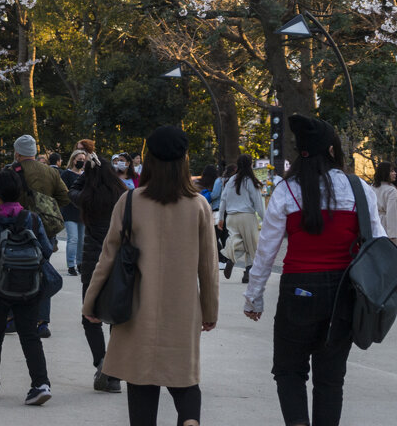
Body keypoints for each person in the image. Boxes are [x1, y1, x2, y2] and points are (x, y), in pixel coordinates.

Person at [244, 115, 386, 426]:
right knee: (331, 379)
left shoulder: (286, 190)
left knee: (289, 371)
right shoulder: (358, 188)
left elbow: (266, 250)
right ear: (332, 150)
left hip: (298, 290)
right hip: (344, 293)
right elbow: (379, 244)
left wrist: (253, 298)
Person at [83, 125, 219, 426]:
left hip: (136, 309)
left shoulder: (130, 201)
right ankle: (189, 420)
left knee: (141, 381)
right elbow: (208, 266)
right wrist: (209, 310)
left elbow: (108, 257)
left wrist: (91, 302)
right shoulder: (199, 205)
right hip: (182, 310)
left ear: (150, 160)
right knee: (184, 379)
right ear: (184, 160)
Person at [0, 169, 54, 405]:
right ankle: (41, 383)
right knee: (30, 335)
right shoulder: (32, 218)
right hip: (29, 287)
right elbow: (46, 250)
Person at [70, 151, 126, 393]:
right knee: (115, 316)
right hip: (118, 260)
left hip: (93, 260)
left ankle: (101, 361)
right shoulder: (123, 195)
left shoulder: (85, 197)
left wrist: (85, 174)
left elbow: (71, 188)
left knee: (89, 315)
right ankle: (113, 371)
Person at [218, 154, 265, 283]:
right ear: (250, 165)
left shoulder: (231, 180)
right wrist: (265, 219)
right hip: (247, 217)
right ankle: (247, 272)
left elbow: (223, 199)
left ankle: (231, 258)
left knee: (238, 241)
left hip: (231, 217)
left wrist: (221, 218)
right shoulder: (250, 180)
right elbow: (258, 203)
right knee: (251, 245)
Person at [59, 150, 86, 276]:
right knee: (73, 238)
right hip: (70, 211)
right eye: (79, 158)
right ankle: (71, 265)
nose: (81, 161)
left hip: (82, 211)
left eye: (83, 159)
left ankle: (80, 264)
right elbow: (64, 192)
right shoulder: (66, 174)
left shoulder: (86, 175)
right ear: (73, 160)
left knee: (82, 240)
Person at [373, 161, 397, 244]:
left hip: (374, 224)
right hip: (386, 226)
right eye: (391, 171)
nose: (394, 173)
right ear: (385, 173)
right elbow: (392, 213)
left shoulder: (372, 187)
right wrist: (393, 235)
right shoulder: (391, 190)